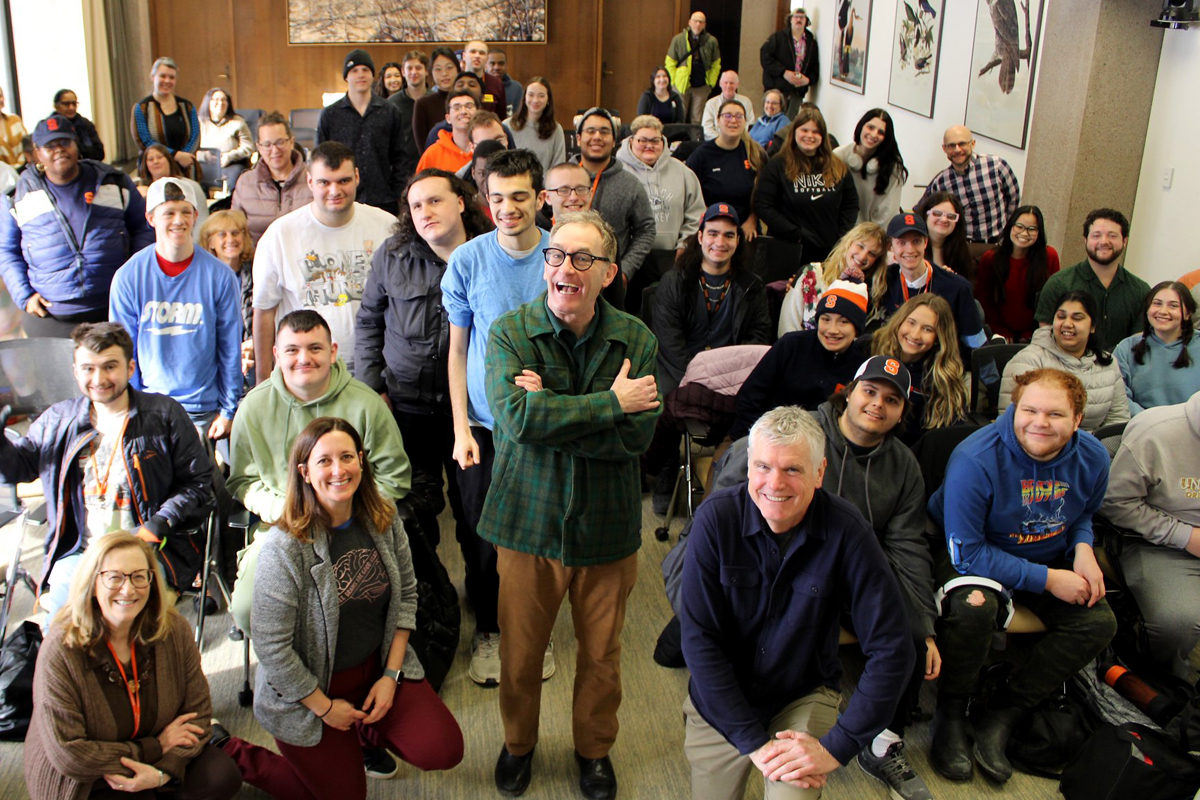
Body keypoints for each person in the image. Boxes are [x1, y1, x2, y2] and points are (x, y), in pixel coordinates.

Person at [482, 210, 660, 799]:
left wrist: (551, 411)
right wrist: (611, 403)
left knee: (603, 656)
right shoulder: (510, 332)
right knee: (520, 654)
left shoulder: (638, 339)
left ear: (608, 273)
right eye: (557, 256)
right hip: (526, 522)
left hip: (606, 528)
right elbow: (514, 419)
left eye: (584, 259)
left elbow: (638, 438)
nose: (567, 268)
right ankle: (517, 747)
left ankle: (594, 752)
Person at [219, 418, 462, 800]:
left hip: (373, 671)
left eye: (347, 457)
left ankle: (362, 734)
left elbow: (407, 599)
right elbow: (272, 649)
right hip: (307, 691)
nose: (338, 470)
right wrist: (325, 707)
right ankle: (231, 752)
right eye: (324, 461)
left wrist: (390, 676)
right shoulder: (284, 547)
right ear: (304, 472)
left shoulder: (383, 519)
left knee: (443, 749)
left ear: (361, 462)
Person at [679, 405, 913, 800]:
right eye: (763, 467)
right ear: (748, 467)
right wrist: (754, 742)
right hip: (724, 696)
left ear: (820, 473)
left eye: (792, 469)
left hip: (801, 692)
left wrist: (836, 747)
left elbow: (893, 647)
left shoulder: (847, 529)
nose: (775, 483)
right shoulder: (715, 519)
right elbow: (700, 641)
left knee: (794, 795)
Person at [928, 368, 1117, 784]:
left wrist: (1083, 548)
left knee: (1099, 621)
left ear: (1078, 420)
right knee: (973, 608)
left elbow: (1083, 512)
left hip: (1048, 554)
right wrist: (1049, 580)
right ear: (1013, 409)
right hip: (972, 552)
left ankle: (1005, 710)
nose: (1039, 422)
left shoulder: (1094, 457)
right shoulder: (975, 459)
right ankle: (951, 713)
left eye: (1055, 414)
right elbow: (967, 552)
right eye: (1028, 409)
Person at [0, 322, 212, 619]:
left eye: (110, 366)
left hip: (145, 550)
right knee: (63, 628)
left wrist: (160, 523)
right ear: (75, 371)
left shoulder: (163, 415)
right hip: (79, 552)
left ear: (129, 368)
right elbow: (17, 469)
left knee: (126, 621)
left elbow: (199, 484)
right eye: (88, 368)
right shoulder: (58, 420)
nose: (99, 378)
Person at [227, 310, 410, 639]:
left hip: (356, 526)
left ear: (333, 351)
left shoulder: (367, 404)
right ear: (276, 355)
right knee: (246, 610)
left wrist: (347, 512)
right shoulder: (252, 408)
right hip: (282, 526)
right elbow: (242, 481)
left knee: (372, 602)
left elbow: (395, 478)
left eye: (315, 348)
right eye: (293, 350)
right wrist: (286, 510)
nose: (303, 359)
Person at [440, 149, 552, 686]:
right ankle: (489, 628)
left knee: (539, 535)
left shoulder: (560, 256)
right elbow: (458, 350)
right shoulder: (468, 260)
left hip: (546, 422)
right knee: (483, 537)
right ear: (486, 201)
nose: (509, 208)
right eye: (499, 198)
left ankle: (533, 629)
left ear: (540, 199)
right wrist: (461, 428)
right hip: (483, 424)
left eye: (520, 197)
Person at [23, 532, 241, 800]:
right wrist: (155, 747)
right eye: (114, 577)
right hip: (92, 776)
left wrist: (161, 773)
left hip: (159, 756)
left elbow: (197, 714)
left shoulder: (173, 629)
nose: (128, 589)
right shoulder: (61, 649)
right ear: (92, 584)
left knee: (222, 775)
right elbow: (70, 755)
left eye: (139, 576)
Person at [355, 169, 490, 555]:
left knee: (475, 513)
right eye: (416, 205)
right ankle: (426, 604)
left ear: (461, 203)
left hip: (473, 408)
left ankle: (485, 606)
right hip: (408, 405)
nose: (425, 211)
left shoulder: (488, 254)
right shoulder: (392, 255)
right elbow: (368, 321)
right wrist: (373, 389)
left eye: (435, 200)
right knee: (414, 511)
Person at [109, 177, 242, 443]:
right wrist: (132, 409)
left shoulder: (220, 277)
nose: (178, 220)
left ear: (196, 216)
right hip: (148, 408)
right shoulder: (129, 277)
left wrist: (229, 410)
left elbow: (229, 348)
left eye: (185, 212)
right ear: (150, 218)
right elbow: (123, 350)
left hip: (203, 410)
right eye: (168, 212)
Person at [251, 141, 396, 381]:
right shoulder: (280, 234)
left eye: (343, 181)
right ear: (310, 182)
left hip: (371, 368)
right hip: (304, 371)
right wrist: (262, 381)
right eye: (324, 182)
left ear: (357, 177)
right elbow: (264, 311)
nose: (334, 191)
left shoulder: (386, 226)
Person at [0, 115, 153, 338]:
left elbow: (144, 227)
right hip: (51, 317)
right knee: (53, 374)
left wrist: (133, 273)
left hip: (112, 307)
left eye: (65, 142)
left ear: (76, 145)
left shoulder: (113, 181)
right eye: (50, 146)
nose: (59, 150)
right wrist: (24, 295)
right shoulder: (18, 197)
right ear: (36, 152)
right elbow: (7, 250)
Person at [1101, 389, 1200, 679]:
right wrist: (1187, 537)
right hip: (1159, 541)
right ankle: (1167, 681)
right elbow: (1114, 504)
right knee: (1177, 622)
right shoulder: (1156, 432)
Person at [652, 203, 772, 396]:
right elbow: (670, 343)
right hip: (680, 376)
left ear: (738, 240)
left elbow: (758, 336)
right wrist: (698, 381)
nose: (720, 242)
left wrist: (726, 379)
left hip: (731, 380)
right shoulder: (674, 282)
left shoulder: (752, 286)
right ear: (700, 237)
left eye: (729, 235)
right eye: (713, 233)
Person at [730, 280, 869, 440]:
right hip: (761, 436)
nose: (832, 330)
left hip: (821, 450)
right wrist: (763, 439)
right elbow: (748, 398)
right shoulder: (792, 344)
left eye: (843, 322)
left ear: (857, 327)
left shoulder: (861, 366)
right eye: (825, 319)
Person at [1000, 290, 1130, 431]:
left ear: (1093, 327)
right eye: (1061, 316)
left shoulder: (1108, 362)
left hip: (1095, 447)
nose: (1067, 324)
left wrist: (1099, 451)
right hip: (1040, 443)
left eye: (1077, 318)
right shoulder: (1028, 361)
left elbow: (1118, 420)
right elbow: (1014, 423)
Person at [572, 107, 657, 309]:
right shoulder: (561, 178)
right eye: (590, 131)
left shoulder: (630, 183)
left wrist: (625, 270)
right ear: (578, 138)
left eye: (604, 131)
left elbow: (647, 228)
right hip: (566, 275)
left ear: (614, 140)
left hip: (610, 284)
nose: (597, 137)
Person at [754, 105, 858, 265]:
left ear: (823, 136)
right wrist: (795, 233)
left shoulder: (837, 166)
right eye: (804, 130)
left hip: (829, 251)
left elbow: (851, 203)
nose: (810, 136)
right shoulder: (778, 165)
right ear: (794, 131)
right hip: (789, 249)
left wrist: (842, 235)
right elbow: (763, 205)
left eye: (816, 132)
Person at [1035, 208, 1151, 347]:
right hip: (1065, 365)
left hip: (1119, 367)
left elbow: (1137, 344)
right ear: (1085, 240)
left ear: (1125, 241)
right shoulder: (1059, 284)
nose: (1104, 241)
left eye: (1112, 236)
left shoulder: (1140, 290)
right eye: (1096, 235)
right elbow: (1046, 339)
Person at [881, 211, 986, 358]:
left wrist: (989, 380)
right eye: (902, 242)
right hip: (894, 363)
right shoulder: (883, 281)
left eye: (916, 241)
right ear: (890, 246)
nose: (910, 249)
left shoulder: (957, 287)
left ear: (926, 243)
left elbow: (977, 346)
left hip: (940, 367)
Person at [317, 49, 407, 215]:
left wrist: (397, 193)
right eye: (354, 71)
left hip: (383, 198)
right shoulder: (330, 114)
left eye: (365, 70)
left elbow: (400, 157)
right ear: (346, 76)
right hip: (342, 198)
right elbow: (320, 159)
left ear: (373, 75)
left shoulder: (390, 111)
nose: (360, 75)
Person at [871, 294, 970, 440]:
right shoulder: (870, 348)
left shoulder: (944, 378)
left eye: (927, 329)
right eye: (911, 323)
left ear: (939, 337)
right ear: (900, 321)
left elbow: (946, 438)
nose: (915, 335)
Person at [615, 115, 705, 257]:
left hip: (672, 256)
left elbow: (695, 215)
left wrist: (685, 246)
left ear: (663, 142)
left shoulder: (684, 173)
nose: (649, 145)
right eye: (642, 140)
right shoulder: (617, 171)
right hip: (628, 256)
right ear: (631, 141)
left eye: (655, 141)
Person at [777, 222, 888, 336]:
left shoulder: (871, 294)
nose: (863, 256)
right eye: (860, 246)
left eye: (872, 254)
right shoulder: (810, 274)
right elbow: (787, 326)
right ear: (849, 243)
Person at [919, 125, 1019, 244]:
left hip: (997, 245)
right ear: (944, 148)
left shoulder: (996, 166)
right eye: (951, 145)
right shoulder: (941, 183)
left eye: (962, 144)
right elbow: (924, 213)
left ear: (973, 144)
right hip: (963, 247)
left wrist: (1008, 234)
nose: (957, 150)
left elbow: (1014, 199)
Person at [975, 204, 1060, 342]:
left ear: (1039, 232)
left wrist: (1031, 333)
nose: (1024, 233)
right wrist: (1001, 331)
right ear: (1011, 226)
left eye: (1031, 229)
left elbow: (1052, 300)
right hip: (998, 334)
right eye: (1019, 226)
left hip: (1036, 334)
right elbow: (985, 301)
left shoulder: (1049, 257)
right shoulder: (991, 258)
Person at [1114, 281, 1200, 413]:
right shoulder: (1126, 348)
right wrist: (1151, 422)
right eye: (1157, 303)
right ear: (1147, 309)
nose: (1163, 311)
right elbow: (1119, 397)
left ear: (1188, 314)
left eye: (1173, 306)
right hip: (1141, 426)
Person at [686, 100, 766, 239]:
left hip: (746, 231)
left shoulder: (755, 153)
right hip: (712, 230)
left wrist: (752, 220)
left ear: (745, 121)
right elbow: (688, 194)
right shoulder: (701, 155)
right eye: (727, 115)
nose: (733, 120)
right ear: (718, 120)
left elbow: (764, 194)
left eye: (739, 116)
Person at [231, 110, 313, 244]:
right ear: (259, 147)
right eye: (267, 144)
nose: (274, 150)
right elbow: (236, 229)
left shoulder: (314, 179)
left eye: (280, 142)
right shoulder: (245, 182)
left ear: (291, 142)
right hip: (257, 260)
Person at [200, 210, 256, 382]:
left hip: (253, 356)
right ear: (210, 242)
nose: (230, 239)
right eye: (222, 234)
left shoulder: (258, 271)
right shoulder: (202, 277)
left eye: (235, 233)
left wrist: (254, 342)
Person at [833, 109, 907, 227]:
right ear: (861, 126)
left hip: (873, 234)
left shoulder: (892, 167)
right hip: (842, 230)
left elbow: (887, 214)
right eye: (870, 127)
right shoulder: (838, 157)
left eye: (881, 132)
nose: (873, 135)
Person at [131, 57, 201, 181]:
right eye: (162, 76)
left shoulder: (187, 106)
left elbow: (195, 136)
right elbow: (144, 141)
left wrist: (185, 156)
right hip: (154, 171)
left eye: (171, 77)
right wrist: (175, 155)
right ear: (153, 77)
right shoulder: (141, 108)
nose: (167, 81)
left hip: (186, 168)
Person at [136, 144, 209, 237]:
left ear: (169, 160)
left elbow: (202, 221)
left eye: (160, 157)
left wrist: (190, 245)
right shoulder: (138, 190)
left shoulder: (191, 186)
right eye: (151, 159)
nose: (156, 162)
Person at [760, 7, 820, 118]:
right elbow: (765, 58)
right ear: (790, 20)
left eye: (802, 17)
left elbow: (815, 68)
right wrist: (783, 72)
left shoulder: (811, 43)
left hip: (796, 93)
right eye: (796, 17)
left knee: (788, 127)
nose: (799, 20)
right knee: (769, 123)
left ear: (806, 21)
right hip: (776, 90)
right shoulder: (778, 38)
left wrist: (808, 80)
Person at [665, 12, 721, 124]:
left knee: (697, 119)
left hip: (701, 86)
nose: (698, 24)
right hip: (681, 86)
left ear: (704, 25)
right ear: (689, 22)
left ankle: (695, 141)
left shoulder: (711, 41)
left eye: (701, 22)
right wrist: (674, 82)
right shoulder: (678, 40)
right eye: (695, 21)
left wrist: (711, 83)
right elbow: (670, 62)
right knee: (680, 117)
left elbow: (716, 64)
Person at [505, 77, 566, 174]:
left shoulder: (556, 130)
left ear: (548, 99)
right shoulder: (507, 126)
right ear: (524, 97)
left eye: (541, 96)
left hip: (545, 187)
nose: (535, 100)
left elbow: (558, 166)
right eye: (531, 95)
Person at [198, 87, 253, 189]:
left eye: (224, 100)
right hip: (206, 163)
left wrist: (230, 156)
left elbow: (249, 147)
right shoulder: (198, 123)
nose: (220, 103)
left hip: (231, 163)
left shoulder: (237, 122)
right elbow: (191, 150)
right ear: (208, 103)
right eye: (216, 99)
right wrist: (204, 156)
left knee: (234, 181)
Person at [386, 50, 430, 178]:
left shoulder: (435, 100)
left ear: (426, 71)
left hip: (432, 167)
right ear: (403, 71)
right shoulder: (392, 103)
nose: (414, 72)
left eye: (418, 68)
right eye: (409, 68)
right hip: (402, 172)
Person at [914, 191, 973, 282]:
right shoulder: (912, 249)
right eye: (937, 214)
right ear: (926, 215)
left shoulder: (961, 253)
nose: (944, 219)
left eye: (951, 216)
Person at [415, 90, 478, 174]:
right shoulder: (432, 154)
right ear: (448, 118)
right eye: (457, 108)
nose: (463, 111)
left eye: (469, 106)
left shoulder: (489, 150)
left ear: (478, 113)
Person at [412, 47, 462, 148]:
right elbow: (423, 148)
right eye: (438, 69)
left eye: (449, 67)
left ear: (458, 70)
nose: (444, 73)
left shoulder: (466, 101)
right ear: (430, 73)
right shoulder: (423, 104)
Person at [701, 72, 757, 141]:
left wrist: (735, 140)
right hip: (716, 144)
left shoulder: (746, 102)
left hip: (740, 143)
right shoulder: (711, 103)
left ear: (737, 85)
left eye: (731, 83)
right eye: (725, 82)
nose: (728, 86)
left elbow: (750, 126)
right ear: (720, 84)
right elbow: (706, 128)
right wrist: (722, 141)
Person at [52, 88, 105, 161]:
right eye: (66, 104)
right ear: (56, 106)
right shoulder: (49, 127)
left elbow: (99, 153)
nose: (71, 108)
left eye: (74, 104)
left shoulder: (85, 124)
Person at [460, 39, 508, 117]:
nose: (477, 56)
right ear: (464, 56)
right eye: (473, 52)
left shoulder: (496, 83)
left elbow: (502, 117)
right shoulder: (456, 82)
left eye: (482, 53)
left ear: (487, 58)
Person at [486, 48, 523, 117]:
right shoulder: (480, 86)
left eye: (501, 63)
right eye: (492, 63)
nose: (496, 67)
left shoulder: (516, 88)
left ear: (506, 66)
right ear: (485, 65)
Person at [0, 86, 27, 166]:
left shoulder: (15, 120)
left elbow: (27, 147)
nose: (1, 100)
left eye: (1, 95)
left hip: (23, 170)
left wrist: (18, 167)